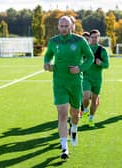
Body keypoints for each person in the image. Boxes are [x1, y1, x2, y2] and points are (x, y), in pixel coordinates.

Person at [43, 16, 94, 159]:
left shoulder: (80, 41)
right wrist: (47, 64)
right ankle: (64, 148)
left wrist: (80, 68)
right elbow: (48, 56)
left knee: (75, 114)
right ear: (58, 27)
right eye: (61, 26)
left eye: (66, 26)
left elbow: (89, 58)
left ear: (72, 26)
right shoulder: (54, 41)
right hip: (59, 83)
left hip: (76, 83)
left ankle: (74, 128)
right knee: (62, 114)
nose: (63, 28)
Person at [82, 29, 109, 127]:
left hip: (97, 79)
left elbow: (107, 65)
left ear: (99, 38)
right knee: (85, 96)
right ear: (89, 38)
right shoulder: (85, 49)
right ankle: (85, 111)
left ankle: (91, 118)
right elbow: (79, 60)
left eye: (96, 37)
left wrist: (101, 63)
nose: (94, 39)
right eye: (92, 37)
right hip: (86, 77)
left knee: (94, 100)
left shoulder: (102, 50)